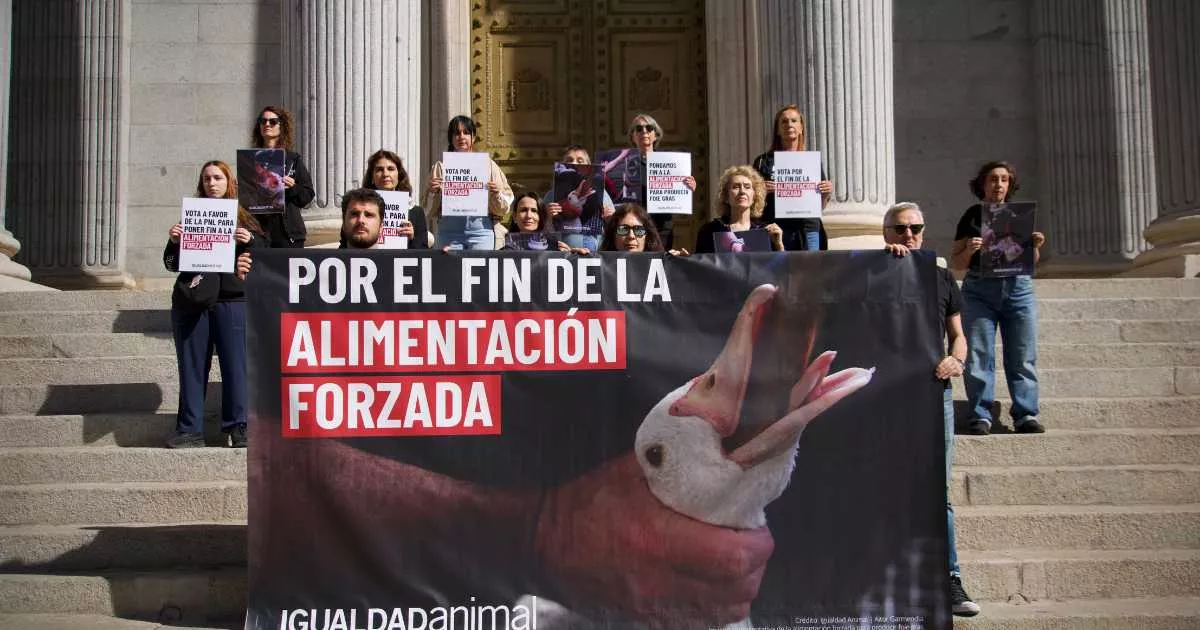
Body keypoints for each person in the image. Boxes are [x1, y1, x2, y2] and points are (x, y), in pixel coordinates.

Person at [883, 202, 979, 617]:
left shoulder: (940, 277)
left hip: (931, 390)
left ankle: (949, 578)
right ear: (887, 233)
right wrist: (881, 265)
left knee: (936, 490)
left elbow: (958, 336)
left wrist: (956, 360)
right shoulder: (872, 272)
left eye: (916, 228)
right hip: (884, 394)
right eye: (901, 228)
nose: (909, 235)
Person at [163, 161, 263, 449]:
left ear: (229, 182)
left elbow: (266, 257)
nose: (212, 182)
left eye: (218, 177)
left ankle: (238, 426)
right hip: (192, 301)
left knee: (236, 366)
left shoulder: (246, 220)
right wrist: (174, 243)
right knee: (192, 367)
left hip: (232, 300)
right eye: (206, 178)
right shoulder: (191, 218)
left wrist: (251, 241)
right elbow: (171, 264)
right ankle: (189, 430)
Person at [951, 161, 1047, 435]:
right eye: (993, 179)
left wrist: (1035, 247)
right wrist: (970, 249)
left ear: (1010, 184)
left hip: (1018, 288)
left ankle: (1025, 414)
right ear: (983, 184)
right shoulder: (972, 215)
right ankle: (980, 414)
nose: (998, 185)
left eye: (1004, 179)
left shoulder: (1019, 216)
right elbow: (957, 263)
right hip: (980, 289)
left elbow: (1031, 263)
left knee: (1023, 354)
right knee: (979, 355)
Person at [602, 113, 696, 249]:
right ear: (633, 136)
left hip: (661, 226)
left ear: (655, 135)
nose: (644, 131)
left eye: (649, 128)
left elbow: (678, 196)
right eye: (639, 129)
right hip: (631, 228)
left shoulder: (670, 164)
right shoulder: (625, 164)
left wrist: (687, 187)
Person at [751, 105, 834, 251]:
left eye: (794, 121)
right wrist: (761, 190)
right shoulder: (763, 161)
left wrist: (826, 192)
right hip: (775, 228)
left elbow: (819, 205)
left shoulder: (811, 161)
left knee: (809, 272)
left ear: (801, 128)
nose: (789, 124)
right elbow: (750, 199)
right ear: (777, 130)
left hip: (808, 229)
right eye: (784, 122)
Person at [424, 115, 514, 250]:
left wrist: (496, 194)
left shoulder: (488, 165)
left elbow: (504, 207)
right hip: (449, 232)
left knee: (481, 270)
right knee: (448, 270)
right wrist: (432, 193)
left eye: (466, 132)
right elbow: (427, 211)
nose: (461, 137)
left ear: (473, 137)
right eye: (457, 133)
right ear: (451, 138)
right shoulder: (441, 167)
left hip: (480, 232)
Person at [250, 105, 316, 248]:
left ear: (281, 126)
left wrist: (293, 188)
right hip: (260, 233)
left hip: (288, 234)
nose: (267, 124)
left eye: (272, 121)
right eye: (263, 121)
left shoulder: (292, 159)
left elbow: (307, 196)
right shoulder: (250, 159)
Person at [694, 166, 784, 254]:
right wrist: (684, 259)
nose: (742, 191)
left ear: (754, 197)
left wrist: (779, 245)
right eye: (736, 187)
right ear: (726, 197)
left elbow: (778, 267)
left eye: (747, 187)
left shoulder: (766, 232)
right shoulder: (710, 231)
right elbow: (700, 266)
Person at [544, 145, 616, 252]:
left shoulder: (601, 192)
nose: (574, 163)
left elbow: (616, 228)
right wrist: (548, 218)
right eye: (569, 160)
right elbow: (543, 234)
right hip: (566, 255)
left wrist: (610, 219)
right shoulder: (551, 195)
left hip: (598, 252)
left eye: (580, 160)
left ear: (589, 166)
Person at [359, 149, 430, 249]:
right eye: (379, 169)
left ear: (399, 175)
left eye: (391, 169)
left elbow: (423, 253)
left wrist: (412, 238)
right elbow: (344, 247)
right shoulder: (357, 210)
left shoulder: (416, 212)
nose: (385, 174)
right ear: (372, 177)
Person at [501, 192, 585, 253]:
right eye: (523, 210)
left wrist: (571, 256)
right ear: (515, 217)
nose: (528, 215)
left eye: (534, 211)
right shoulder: (503, 252)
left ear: (541, 217)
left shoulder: (555, 248)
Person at [599, 203, 688, 256]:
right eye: (623, 229)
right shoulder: (598, 270)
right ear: (613, 235)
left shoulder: (665, 267)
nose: (631, 236)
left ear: (647, 236)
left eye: (638, 230)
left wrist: (680, 266)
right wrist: (585, 260)